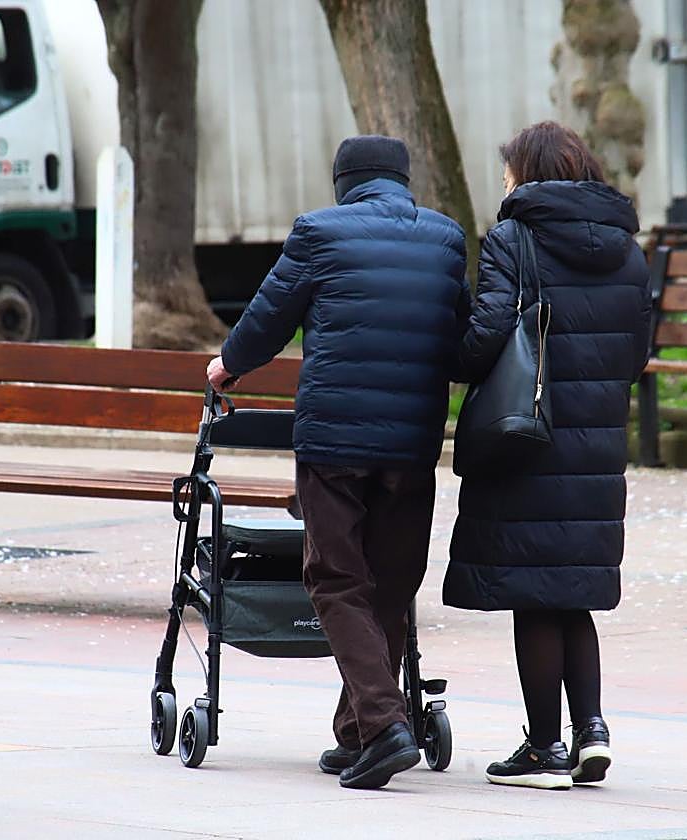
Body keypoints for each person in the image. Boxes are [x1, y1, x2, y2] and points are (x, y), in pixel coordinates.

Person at [206, 135, 468, 790]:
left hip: (336, 441)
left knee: (334, 578)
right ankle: (358, 731)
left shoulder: (319, 232)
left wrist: (226, 366)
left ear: (343, 181)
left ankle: (381, 725)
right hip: (411, 442)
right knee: (391, 579)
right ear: (403, 179)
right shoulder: (445, 238)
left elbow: (269, 318)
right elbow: (460, 336)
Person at [443, 121, 652, 790]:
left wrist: (451, 347)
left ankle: (543, 750)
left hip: (526, 440)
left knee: (535, 595)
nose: (503, 184)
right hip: (595, 447)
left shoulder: (514, 237)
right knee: (573, 593)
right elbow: (635, 354)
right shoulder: (628, 249)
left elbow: (484, 338)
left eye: (508, 173)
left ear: (527, 174)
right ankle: (592, 731)